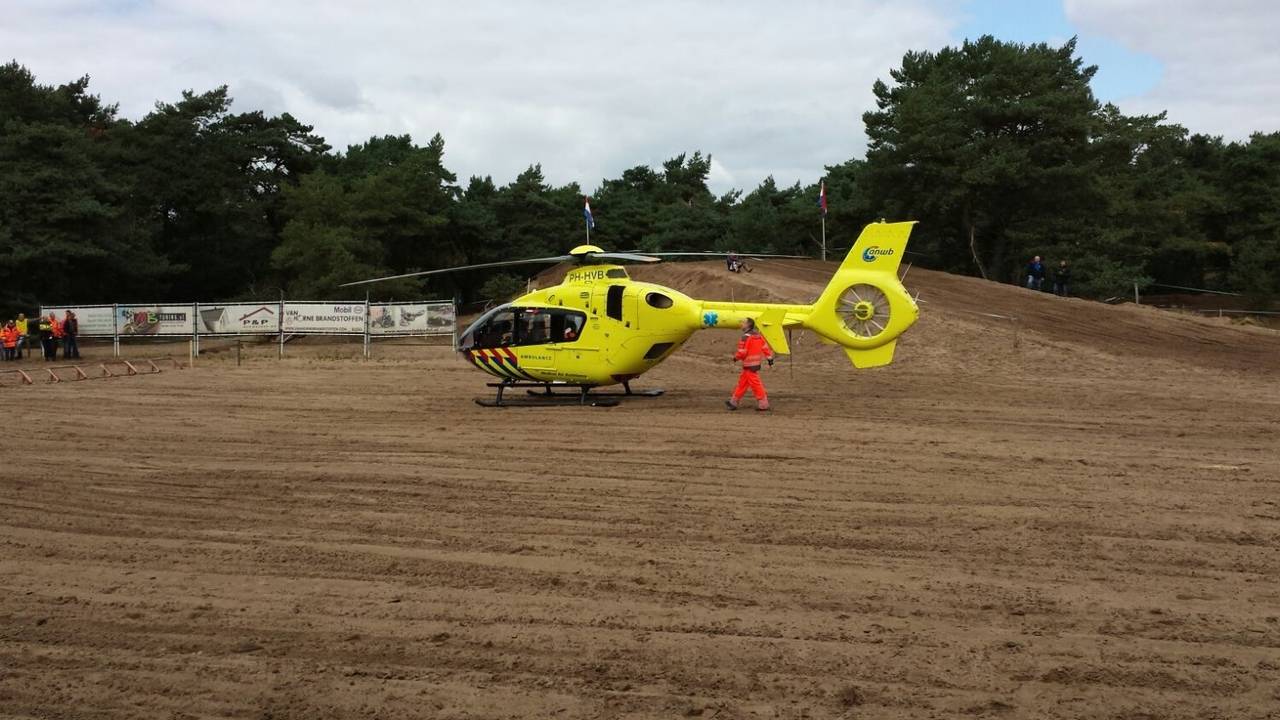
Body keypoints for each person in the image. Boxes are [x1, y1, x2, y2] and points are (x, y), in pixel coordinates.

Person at [726, 317, 774, 412]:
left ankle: (763, 404)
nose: (741, 324)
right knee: (742, 383)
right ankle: (733, 402)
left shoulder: (745, 337)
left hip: (748, 364)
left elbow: (742, 352)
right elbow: (765, 347)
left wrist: (735, 358)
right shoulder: (758, 336)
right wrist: (769, 358)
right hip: (755, 364)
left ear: (748, 325)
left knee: (755, 384)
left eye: (743, 323)